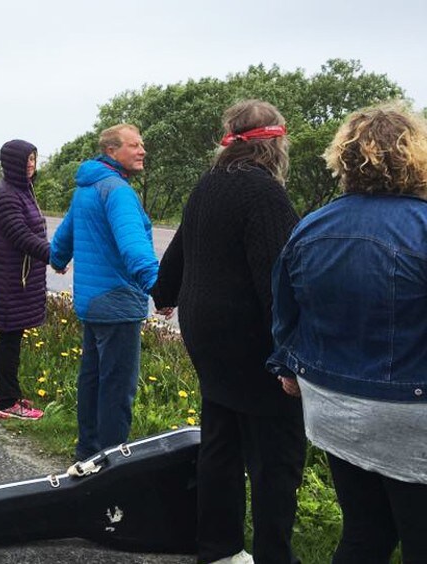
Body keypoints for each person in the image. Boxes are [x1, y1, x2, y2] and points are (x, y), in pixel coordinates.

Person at [269, 103, 427, 564]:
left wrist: (288, 367)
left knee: (365, 533)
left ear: (344, 157)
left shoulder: (312, 225)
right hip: (410, 414)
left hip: (333, 409)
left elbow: (285, 312)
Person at [150, 102, 304, 564]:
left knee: (221, 442)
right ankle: (275, 555)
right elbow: (279, 282)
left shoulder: (209, 184)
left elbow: (180, 246)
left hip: (206, 333)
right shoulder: (265, 194)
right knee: (276, 457)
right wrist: (290, 355)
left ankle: (219, 548)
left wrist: (164, 292)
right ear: (276, 144)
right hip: (249, 340)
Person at [49, 123, 157, 456]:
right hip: (118, 303)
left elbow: (63, 238)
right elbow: (134, 248)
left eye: (141, 144)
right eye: (134, 145)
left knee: (93, 380)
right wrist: (160, 287)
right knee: (117, 390)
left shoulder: (87, 188)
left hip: (92, 303)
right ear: (112, 150)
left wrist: (57, 259)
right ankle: (112, 464)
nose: (142, 151)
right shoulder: (118, 191)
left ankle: (88, 454)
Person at [0, 140, 48, 420]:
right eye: (26, 160)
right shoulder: (6, 195)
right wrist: (54, 255)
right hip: (10, 278)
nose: (31, 164)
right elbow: (20, 235)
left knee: (12, 336)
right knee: (9, 336)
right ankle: (8, 401)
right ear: (12, 163)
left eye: (33, 158)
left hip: (17, 276)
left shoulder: (22, 190)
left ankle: (3, 391)